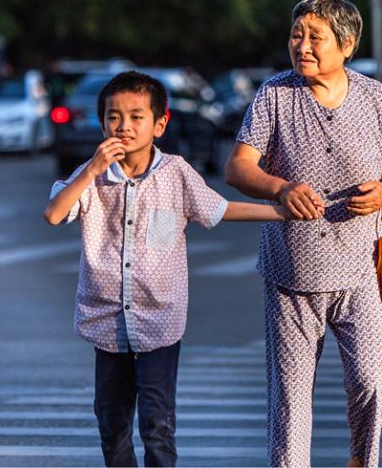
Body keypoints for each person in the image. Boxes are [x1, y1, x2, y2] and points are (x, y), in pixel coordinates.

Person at [44, 70, 286, 467]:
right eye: (114, 116)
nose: (124, 126)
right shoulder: (94, 175)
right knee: (111, 422)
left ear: (160, 124)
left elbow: (219, 209)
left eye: (136, 117)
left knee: (157, 423)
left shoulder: (175, 173)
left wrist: (282, 211)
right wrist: (89, 169)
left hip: (159, 322)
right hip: (107, 323)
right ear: (102, 122)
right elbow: (54, 214)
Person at [224, 0, 382, 468]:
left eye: (315, 36)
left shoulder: (373, 97)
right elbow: (238, 168)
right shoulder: (276, 95)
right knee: (291, 400)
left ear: (346, 45)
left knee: (371, 385)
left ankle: (361, 461)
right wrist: (281, 188)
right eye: (296, 34)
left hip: (360, 270)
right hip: (292, 273)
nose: (302, 45)